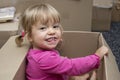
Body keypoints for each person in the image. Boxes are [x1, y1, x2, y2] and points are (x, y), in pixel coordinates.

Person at [15, 3, 108, 80]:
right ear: (30, 36)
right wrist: (96, 57)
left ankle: (75, 78)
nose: (52, 31)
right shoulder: (45, 59)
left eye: (55, 26)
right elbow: (72, 66)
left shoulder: (35, 51)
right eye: (43, 28)